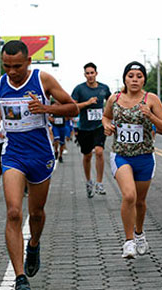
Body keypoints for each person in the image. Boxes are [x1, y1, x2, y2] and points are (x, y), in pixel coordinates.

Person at [0, 40, 79, 290]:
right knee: (14, 212)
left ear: (28, 62)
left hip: (40, 153)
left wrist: (46, 109)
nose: (12, 71)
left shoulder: (43, 79)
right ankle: (20, 278)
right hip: (13, 153)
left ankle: (35, 244)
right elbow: (0, 109)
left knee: (36, 213)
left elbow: (72, 107)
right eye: (7, 66)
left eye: (17, 66)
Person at [102, 61, 162, 259]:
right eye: (131, 76)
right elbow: (106, 118)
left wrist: (150, 116)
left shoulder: (152, 99)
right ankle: (129, 241)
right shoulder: (114, 99)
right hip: (121, 155)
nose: (134, 80)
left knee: (140, 201)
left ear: (144, 80)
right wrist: (107, 126)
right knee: (129, 196)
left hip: (145, 156)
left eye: (139, 76)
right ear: (125, 78)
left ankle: (139, 233)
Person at [72, 62, 111, 198]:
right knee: (87, 155)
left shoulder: (104, 88)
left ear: (96, 73)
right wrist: (87, 103)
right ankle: (89, 181)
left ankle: (99, 183)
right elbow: (73, 106)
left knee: (99, 152)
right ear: (85, 75)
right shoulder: (79, 89)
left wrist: (108, 115)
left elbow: (111, 102)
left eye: (92, 73)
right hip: (84, 128)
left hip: (99, 126)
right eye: (87, 73)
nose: (90, 76)